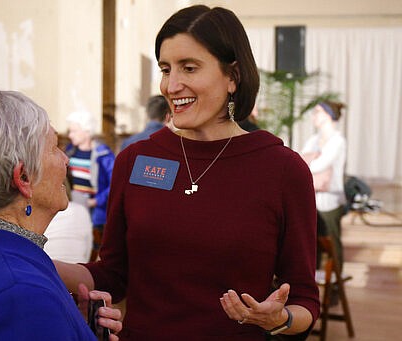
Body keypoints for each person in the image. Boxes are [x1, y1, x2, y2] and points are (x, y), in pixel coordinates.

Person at [54, 5, 319, 340]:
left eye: (189, 68)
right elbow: (114, 273)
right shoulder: (136, 159)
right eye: (166, 69)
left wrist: (280, 319)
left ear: (232, 76)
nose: (172, 85)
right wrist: (33, 262)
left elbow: (305, 301)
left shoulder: (282, 169)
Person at [0, 88, 122, 340]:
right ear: (24, 178)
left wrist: (74, 326)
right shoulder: (21, 292)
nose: (66, 160)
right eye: (54, 147)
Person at [301, 101, 347, 270]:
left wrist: (311, 158)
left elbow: (317, 165)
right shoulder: (313, 139)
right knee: (313, 244)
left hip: (330, 200)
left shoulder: (337, 140)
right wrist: (312, 158)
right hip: (312, 198)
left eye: (318, 112)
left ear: (329, 115)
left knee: (332, 243)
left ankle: (335, 287)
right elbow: (301, 162)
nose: (314, 115)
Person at [66, 110, 115, 261]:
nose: (70, 135)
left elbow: (114, 183)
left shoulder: (103, 155)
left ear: (86, 131)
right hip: (74, 206)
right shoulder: (70, 151)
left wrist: (96, 201)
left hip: (95, 212)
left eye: (74, 131)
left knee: (94, 247)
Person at [44, 179, 93, 264]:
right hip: (79, 271)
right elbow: (88, 251)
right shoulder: (81, 210)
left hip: (48, 270)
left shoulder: (40, 213)